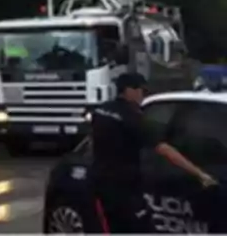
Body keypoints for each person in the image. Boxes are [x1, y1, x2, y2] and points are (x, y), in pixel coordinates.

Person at [90, 72, 216, 233]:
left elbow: (95, 138)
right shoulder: (133, 119)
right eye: (140, 90)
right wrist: (199, 173)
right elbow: (164, 149)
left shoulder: (101, 110)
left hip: (101, 184)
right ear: (129, 90)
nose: (142, 95)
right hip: (124, 189)